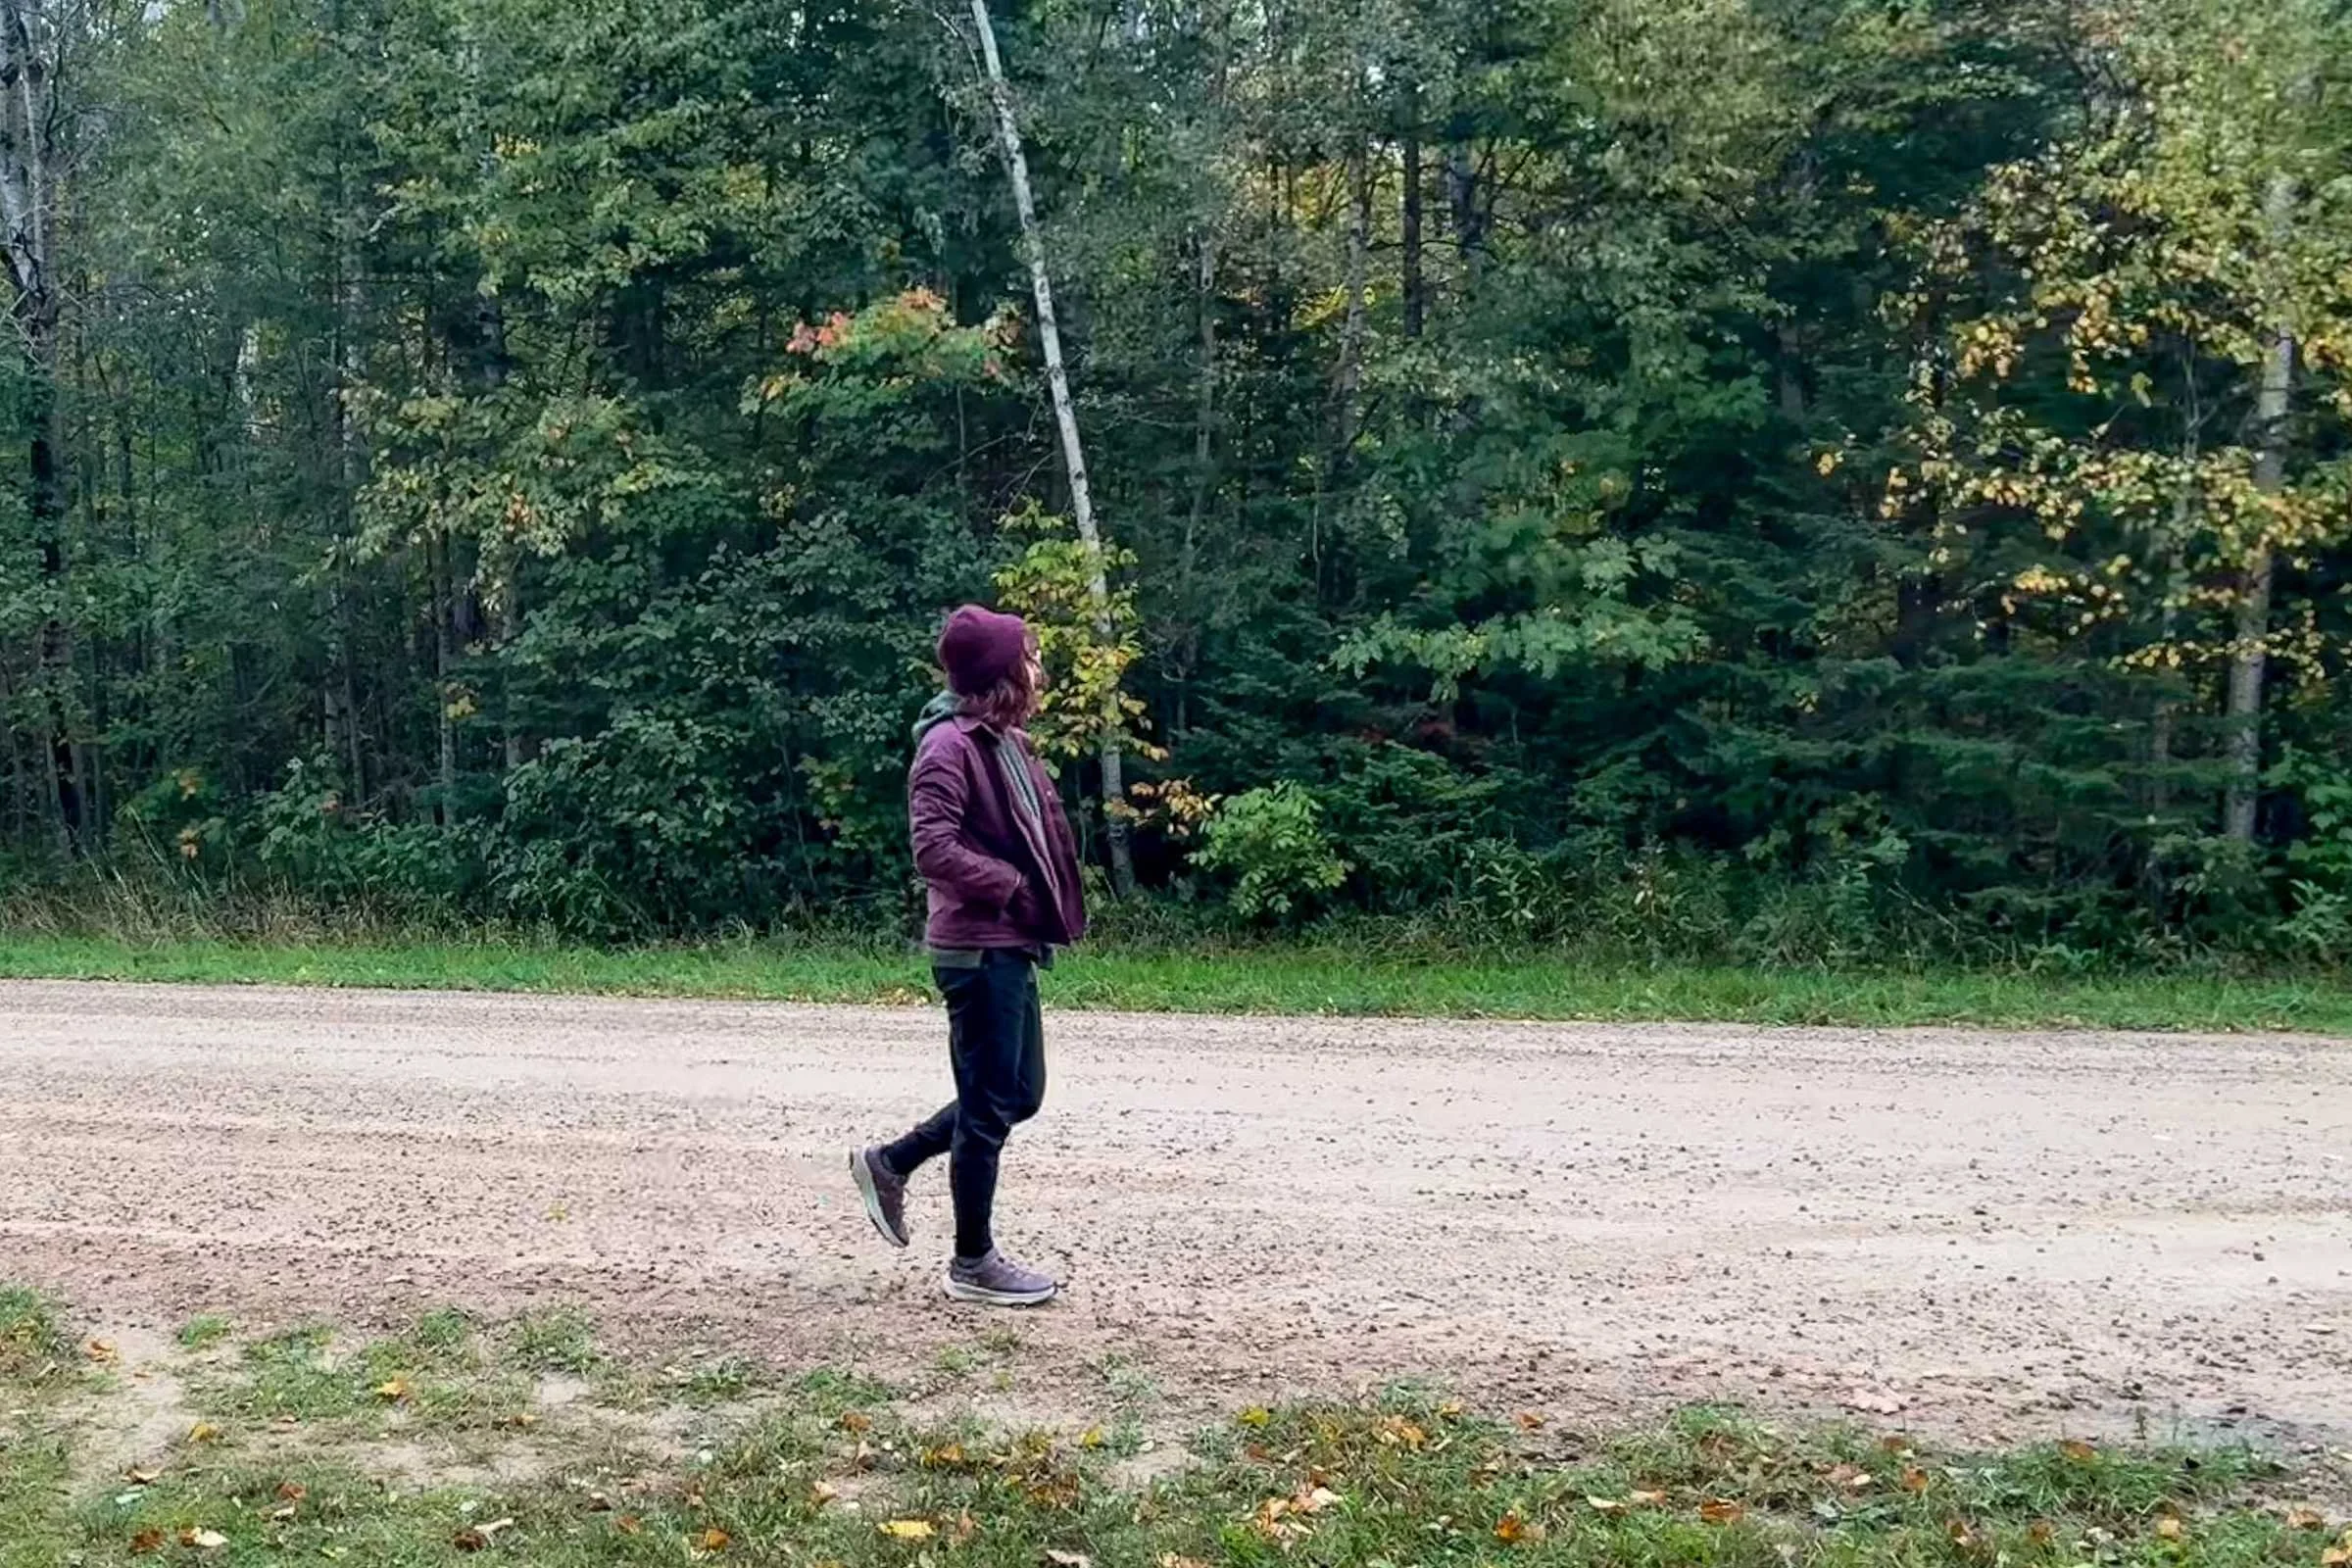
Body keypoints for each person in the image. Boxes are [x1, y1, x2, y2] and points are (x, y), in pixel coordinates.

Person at [850, 605, 1087, 1306]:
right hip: (977, 949)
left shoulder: (1003, 741)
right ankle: (972, 1261)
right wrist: (1011, 886)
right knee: (990, 1104)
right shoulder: (948, 747)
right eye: (1027, 659)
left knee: (1018, 1093)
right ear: (1000, 674)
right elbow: (933, 848)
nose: (1038, 670)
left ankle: (892, 1162)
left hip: (1009, 941)